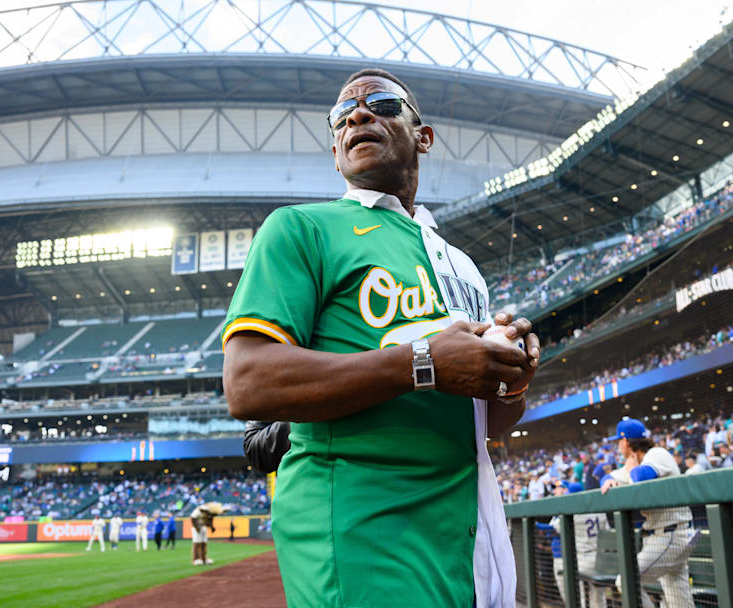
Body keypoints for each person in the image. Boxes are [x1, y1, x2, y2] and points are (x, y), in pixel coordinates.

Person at [222, 68, 539, 607]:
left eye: (383, 104)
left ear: (424, 135)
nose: (358, 115)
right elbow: (248, 384)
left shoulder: (458, 262)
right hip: (363, 528)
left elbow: (486, 424)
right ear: (336, 148)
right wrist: (422, 363)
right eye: (342, 115)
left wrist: (511, 380)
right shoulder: (302, 228)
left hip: (469, 530)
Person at [602, 419, 697, 608]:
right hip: (666, 535)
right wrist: (612, 478)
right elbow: (605, 479)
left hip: (670, 534)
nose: (618, 446)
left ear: (626, 441)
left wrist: (629, 471)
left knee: (626, 581)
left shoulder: (657, 453)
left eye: (619, 442)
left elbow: (641, 476)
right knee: (679, 599)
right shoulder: (634, 463)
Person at [549, 482, 610, 608]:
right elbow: (607, 532)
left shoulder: (572, 512)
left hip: (582, 559)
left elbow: (554, 529)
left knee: (577, 596)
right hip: (601, 558)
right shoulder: (600, 510)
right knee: (598, 597)